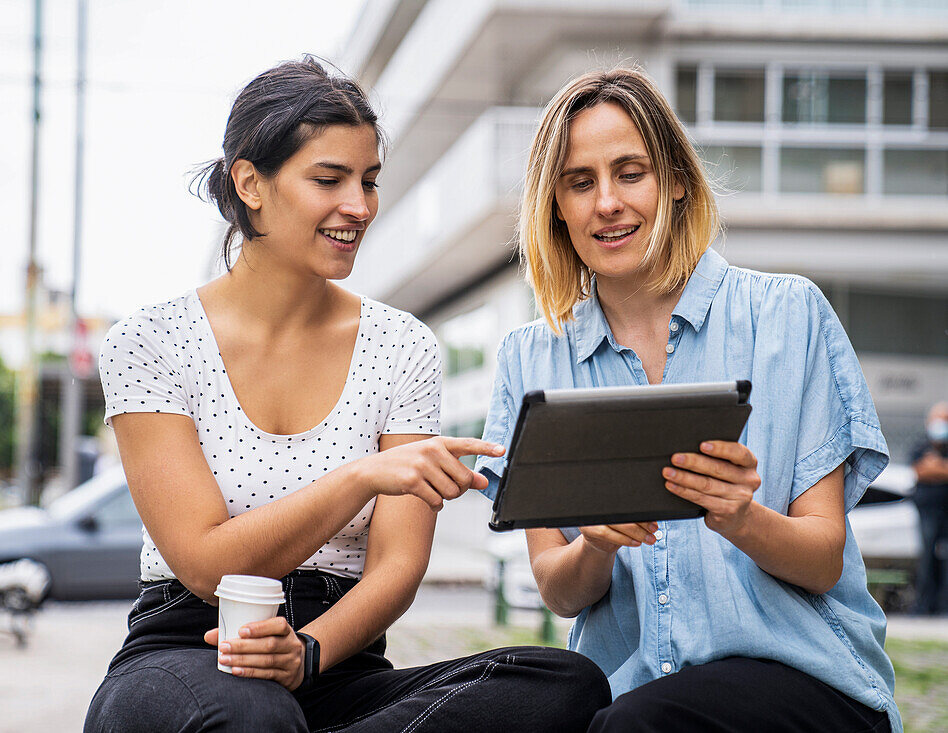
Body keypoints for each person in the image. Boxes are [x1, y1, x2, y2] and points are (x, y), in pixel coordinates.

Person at [83, 56, 610, 733]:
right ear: (251, 182)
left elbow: (398, 563)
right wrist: (360, 475)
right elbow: (206, 561)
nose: (359, 207)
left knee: (563, 682)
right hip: (189, 646)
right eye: (329, 179)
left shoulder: (403, 346)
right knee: (253, 712)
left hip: (338, 661)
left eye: (369, 181)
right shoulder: (151, 341)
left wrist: (308, 652)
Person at [475, 67, 900, 732]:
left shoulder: (787, 316)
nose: (607, 202)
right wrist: (595, 543)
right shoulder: (533, 358)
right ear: (555, 203)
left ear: (675, 179)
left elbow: (822, 558)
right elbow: (559, 590)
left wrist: (740, 517)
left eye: (630, 172)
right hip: (636, 692)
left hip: (804, 678)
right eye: (580, 182)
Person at [912, 401, 948, 615]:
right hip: (927, 512)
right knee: (926, 560)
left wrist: (934, 467)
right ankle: (924, 607)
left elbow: (928, 471)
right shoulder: (920, 445)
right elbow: (919, 471)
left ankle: (944, 606)